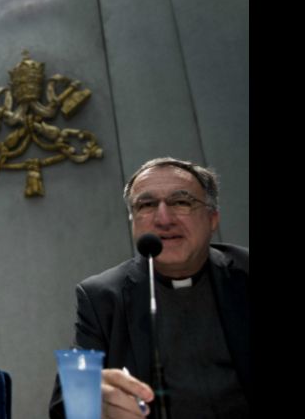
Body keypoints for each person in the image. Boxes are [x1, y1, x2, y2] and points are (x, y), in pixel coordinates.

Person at [49, 157, 249, 419]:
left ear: (212, 218)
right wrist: (93, 402)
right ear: (133, 221)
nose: (163, 219)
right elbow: (66, 403)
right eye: (147, 205)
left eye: (181, 202)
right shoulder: (103, 296)